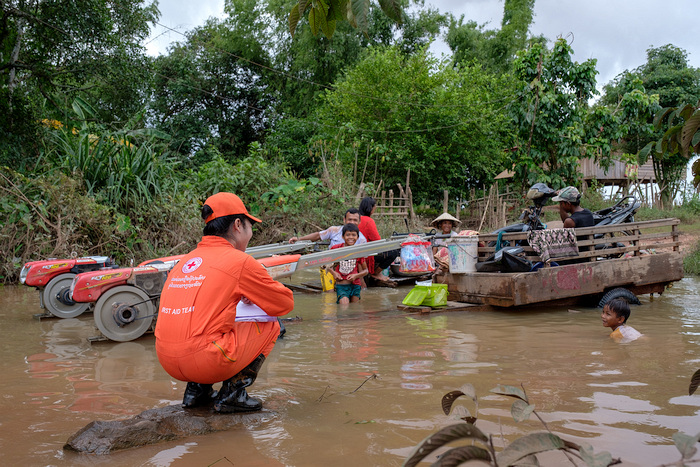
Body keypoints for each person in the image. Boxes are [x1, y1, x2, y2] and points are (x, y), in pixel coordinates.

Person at [155, 192, 294, 414]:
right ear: (238, 225)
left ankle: (196, 393)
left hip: (166, 359)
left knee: (210, 322)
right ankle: (232, 395)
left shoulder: (185, 261)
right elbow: (284, 303)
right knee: (273, 325)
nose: (251, 234)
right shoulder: (240, 261)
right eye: (250, 226)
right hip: (205, 361)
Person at [358, 196, 399, 283]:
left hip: (357, 252)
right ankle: (375, 273)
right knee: (394, 252)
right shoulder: (368, 221)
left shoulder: (356, 218)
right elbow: (377, 241)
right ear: (371, 208)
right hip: (366, 254)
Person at [329, 223, 368, 304]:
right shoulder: (336, 249)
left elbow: (366, 271)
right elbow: (325, 264)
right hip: (342, 286)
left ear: (357, 237)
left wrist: (356, 276)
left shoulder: (358, 251)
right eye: (348, 235)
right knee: (344, 305)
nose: (351, 237)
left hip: (356, 285)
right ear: (343, 237)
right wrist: (334, 273)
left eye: (353, 235)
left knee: (354, 309)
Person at [288, 208, 367, 247]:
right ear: (344, 220)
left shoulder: (362, 240)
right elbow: (318, 235)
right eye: (349, 219)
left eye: (355, 220)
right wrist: (299, 239)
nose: (352, 222)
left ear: (359, 222)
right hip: (332, 265)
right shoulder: (334, 230)